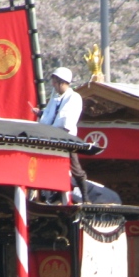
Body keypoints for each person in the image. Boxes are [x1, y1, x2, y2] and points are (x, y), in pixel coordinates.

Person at [34, 67, 88, 201]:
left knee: (76, 169)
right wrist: (41, 114)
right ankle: (53, 195)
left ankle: (86, 197)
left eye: (55, 81)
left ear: (61, 82)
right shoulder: (56, 98)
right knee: (49, 165)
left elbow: (65, 119)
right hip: (52, 136)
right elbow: (50, 114)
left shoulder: (74, 97)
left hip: (66, 137)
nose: (53, 85)